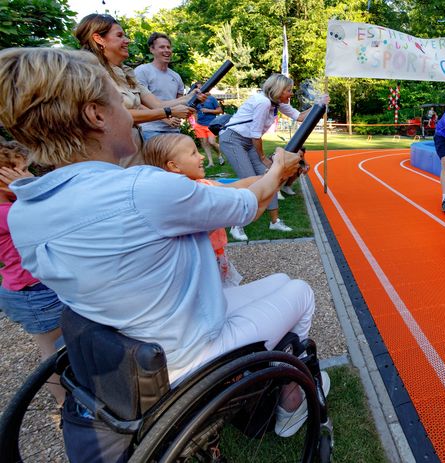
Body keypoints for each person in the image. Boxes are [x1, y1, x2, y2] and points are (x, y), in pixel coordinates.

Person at [0, 47, 326, 441]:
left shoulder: (25, 210)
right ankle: (290, 399)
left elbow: (221, 194)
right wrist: (278, 169)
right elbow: (245, 206)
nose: (130, 113)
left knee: (277, 281)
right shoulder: (141, 189)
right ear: (96, 115)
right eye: (119, 102)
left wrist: (271, 176)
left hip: (127, 350)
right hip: (189, 351)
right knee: (301, 292)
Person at [75, 14, 194, 167]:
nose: (127, 41)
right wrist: (168, 113)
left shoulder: (126, 72)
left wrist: (190, 97)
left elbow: (157, 104)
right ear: (99, 39)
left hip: (133, 149)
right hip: (108, 154)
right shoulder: (91, 73)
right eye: (119, 36)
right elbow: (114, 115)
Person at [219, 73, 329, 238]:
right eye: (289, 90)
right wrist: (263, 158)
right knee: (250, 181)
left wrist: (318, 104)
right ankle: (236, 225)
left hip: (248, 141)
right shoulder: (263, 103)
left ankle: (275, 222)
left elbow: (299, 117)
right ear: (278, 90)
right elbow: (256, 134)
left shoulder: (276, 103)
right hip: (233, 140)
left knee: (270, 177)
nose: (291, 94)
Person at [0, 141, 66, 403]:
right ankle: (63, 402)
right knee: (52, 351)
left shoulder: (12, 205)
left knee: (58, 345)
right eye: (23, 171)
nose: (30, 175)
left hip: (28, 288)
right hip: (33, 293)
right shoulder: (8, 212)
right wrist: (29, 187)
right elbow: (53, 214)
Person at [142, 133, 243, 286]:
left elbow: (233, 187)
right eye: (194, 153)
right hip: (197, 257)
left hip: (215, 251)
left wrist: (268, 178)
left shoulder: (204, 184)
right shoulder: (176, 198)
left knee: (220, 286)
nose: (202, 156)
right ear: (174, 166)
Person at [134, 32, 186, 141]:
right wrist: (165, 118)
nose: (167, 50)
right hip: (150, 129)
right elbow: (137, 102)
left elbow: (179, 101)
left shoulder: (176, 76)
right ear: (152, 50)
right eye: (162, 47)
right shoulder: (142, 71)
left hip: (174, 131)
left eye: (168, 47)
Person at [193, 89, 224, 168]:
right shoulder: (195, 100)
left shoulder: (211, 99)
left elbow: (219, 110)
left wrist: (208, 110)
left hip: (211, 124)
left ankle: (220, 155)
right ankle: (210, 162)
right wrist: (195, 123)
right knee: (205, 144)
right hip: (199, 125)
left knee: (212, 142)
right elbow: (195, 112)